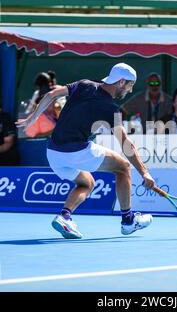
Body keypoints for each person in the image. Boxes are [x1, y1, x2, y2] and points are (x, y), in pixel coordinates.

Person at [17, 63, 155, 239]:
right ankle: (128, 220)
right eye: (130, 85)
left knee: (87, 183)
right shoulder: (112, 109)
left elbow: (52, 94)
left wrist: (32, 118)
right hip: (75, 151)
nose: (130, 90)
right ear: (121, 82)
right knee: (123, 167)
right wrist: (144, 172)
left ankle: (64, 217)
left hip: (53, 153)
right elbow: (125, 143)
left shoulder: (84, 84)